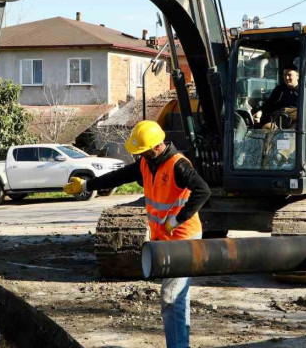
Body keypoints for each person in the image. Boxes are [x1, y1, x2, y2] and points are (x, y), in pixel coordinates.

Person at [63, 120, 210, 348]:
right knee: (176, 297)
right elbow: (118, 177)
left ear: (156, 147)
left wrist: (178, 218)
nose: (139, 156)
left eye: (142, 151)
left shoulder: (178, 165)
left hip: (183, 238)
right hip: (166, 239)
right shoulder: (147, 163)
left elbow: (203, 191)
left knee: (172, 297)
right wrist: (86, 186)